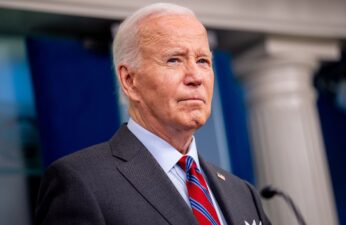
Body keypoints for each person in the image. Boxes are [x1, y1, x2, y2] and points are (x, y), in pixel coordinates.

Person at [35, 3, 271, 225]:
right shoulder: (81, 181)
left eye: (202, 61)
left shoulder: (243, 193)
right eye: (174, 60)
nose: (195, 77)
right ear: (130, 81)